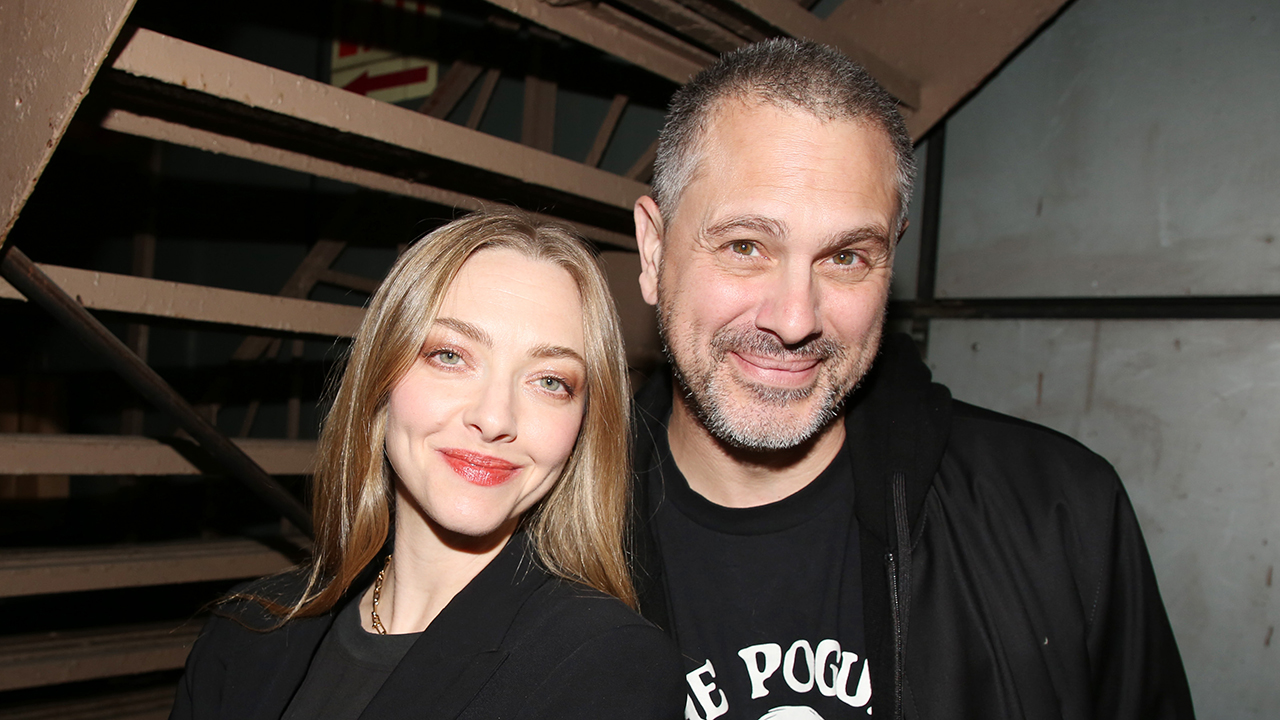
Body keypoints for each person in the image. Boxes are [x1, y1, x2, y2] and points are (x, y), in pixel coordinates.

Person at [628, 39, 1194, 720]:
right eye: (746, 246)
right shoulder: (537, 536)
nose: (795, 318)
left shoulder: (1061, 515)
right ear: (653, 249)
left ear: (891, 257)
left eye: (845, 256)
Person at [170, 209, 684, 720]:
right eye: (451, 356)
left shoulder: (605, 669)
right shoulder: (247, 629)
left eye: (550, 381)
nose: (494, 417)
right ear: (381, 377)